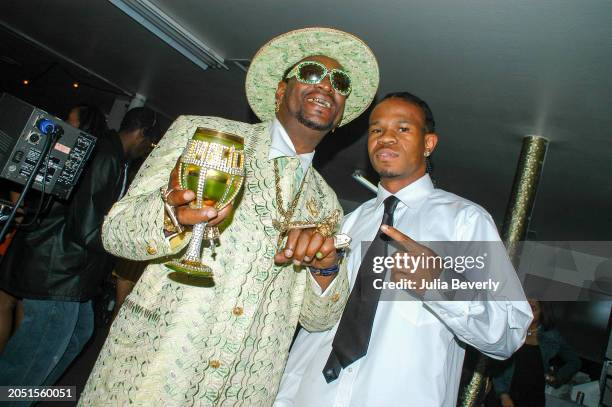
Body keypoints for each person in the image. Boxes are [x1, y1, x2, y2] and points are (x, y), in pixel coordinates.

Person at [78, 27, 379, 406]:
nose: (326, 86)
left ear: (339, 118)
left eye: (339, 82)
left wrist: (325, 268)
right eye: (310, 73)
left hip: (244, 388)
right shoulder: (200, 134)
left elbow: (319, 320)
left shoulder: (328, 205)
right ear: (280, 92)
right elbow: (116, 232)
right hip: (154, 369)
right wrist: (171, 217)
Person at [274, 92, 533, 407]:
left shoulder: (465, 221)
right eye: (377, 129)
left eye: (403, 128)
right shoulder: (349, 222)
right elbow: (322, 326)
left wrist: (440, 283)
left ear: (428, 143)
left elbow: (509, 332)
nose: (386, 138)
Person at [0, 107, 159, 393]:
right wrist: (127, 243)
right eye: (150, 142)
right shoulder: (107, 155)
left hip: (73, 269)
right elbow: (85, 227)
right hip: (59, 269)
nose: (148, 149)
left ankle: (27, 395)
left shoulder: (116, 158)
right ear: (142, 133)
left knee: (78, 334)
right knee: (33, 359)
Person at [489, 300, 581, 407]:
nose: (528, 312)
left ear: (542, 311)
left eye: (533, 309)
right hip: (506, 396)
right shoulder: (510, 330)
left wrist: (557, 378)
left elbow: (575, 361)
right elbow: (496, 365)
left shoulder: (551, 336)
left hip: (533, 398)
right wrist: (503, 395)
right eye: (525, 307)